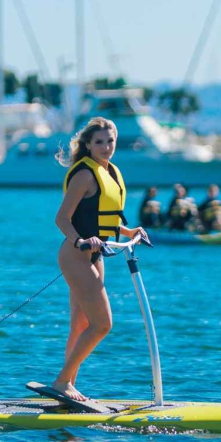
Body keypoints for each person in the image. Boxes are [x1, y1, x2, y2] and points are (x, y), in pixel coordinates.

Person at [47, 117, 149, 402]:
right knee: (103, 324)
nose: (106, 147)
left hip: (97, 255)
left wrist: (130, 230)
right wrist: (79, 240)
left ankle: (67, 386)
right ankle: (62, 381)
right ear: (88, 145)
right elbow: (63, 219)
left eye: (110, 141)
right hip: (76, 254)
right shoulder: (84, 175)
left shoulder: (112, 172)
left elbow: (103, 219)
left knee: (81, 325)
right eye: (99, 142)